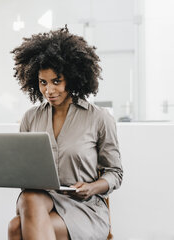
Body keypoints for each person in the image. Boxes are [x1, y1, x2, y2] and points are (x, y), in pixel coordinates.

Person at [7, 26, 123, 240]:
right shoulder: (30, 118)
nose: (49, 90)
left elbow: (115, 173)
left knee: (16, 227)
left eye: (56, 81)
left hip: (84, 206)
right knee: (29, 197)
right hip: (42, 199)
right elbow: (22, 168)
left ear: (72, 78)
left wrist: (92, 187)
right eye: (43, 82)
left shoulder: (98, 118)